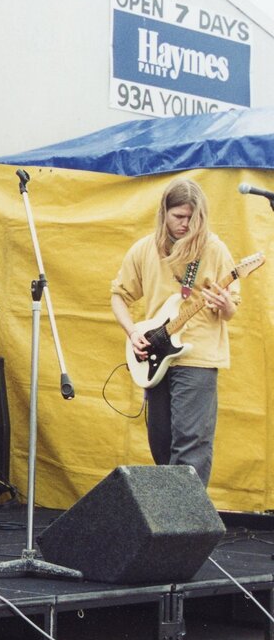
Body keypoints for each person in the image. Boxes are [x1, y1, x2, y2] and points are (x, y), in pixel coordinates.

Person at [110, 178, 239, 485]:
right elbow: (118, 296)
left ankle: (187, 514)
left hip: (198, 357)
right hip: (156, 355)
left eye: (192, 218)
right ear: (164, 213)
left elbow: (231, 309)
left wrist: (225, 305)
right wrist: (132, 333)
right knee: (160, 441)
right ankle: (171, 508)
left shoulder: (214, 249)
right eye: (179, 216)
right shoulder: (145, 249)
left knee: (190, 443)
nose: (186, 224)